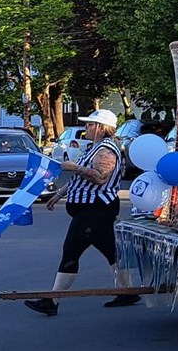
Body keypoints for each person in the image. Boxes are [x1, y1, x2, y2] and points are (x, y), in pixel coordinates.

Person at [26, 110, 133, 315]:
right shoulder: (95, 148)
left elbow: (100, 177)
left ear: (102, 127)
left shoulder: (106, 150)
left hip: (95, 209)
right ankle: (128, 291)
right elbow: (80, 179)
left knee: (71, 251)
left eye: (91, 124)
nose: (86, 128)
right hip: (91, 209)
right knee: (111, 251)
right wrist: (60, 193)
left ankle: (53, 300)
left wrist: (74, 167)